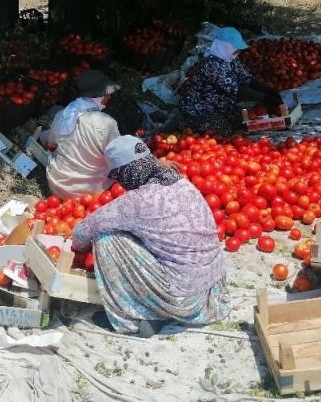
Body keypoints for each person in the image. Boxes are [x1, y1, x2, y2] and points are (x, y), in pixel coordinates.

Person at [72, 135, 229, 337]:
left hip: (184, 299)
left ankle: (131, 316)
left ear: (126, 173)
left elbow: (82, 232)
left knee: (106, 239)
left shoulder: (136, 201)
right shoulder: (179, 181)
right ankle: (160, 309)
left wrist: (77, 249)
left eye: (119, 176)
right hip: (212, 289)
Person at [179, 26, 282, 134]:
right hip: (200, 107)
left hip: (219, 104)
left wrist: (270, 90)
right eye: (235, 47)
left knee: (241, 121)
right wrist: (265, 98)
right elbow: (236, 89)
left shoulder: (230, 58)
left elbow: (245, 78)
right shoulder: (212, 64)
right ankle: (189, 123)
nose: (238, 51)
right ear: (224, 46)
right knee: (224, 130)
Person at [44, 70, 121, 199]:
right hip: (88, 194)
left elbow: (50, 145)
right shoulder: (106, 123)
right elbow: (119, 158)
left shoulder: (63, 115)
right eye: (106, 94)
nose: (109, 97)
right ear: (98, 96)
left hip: (56, 185)